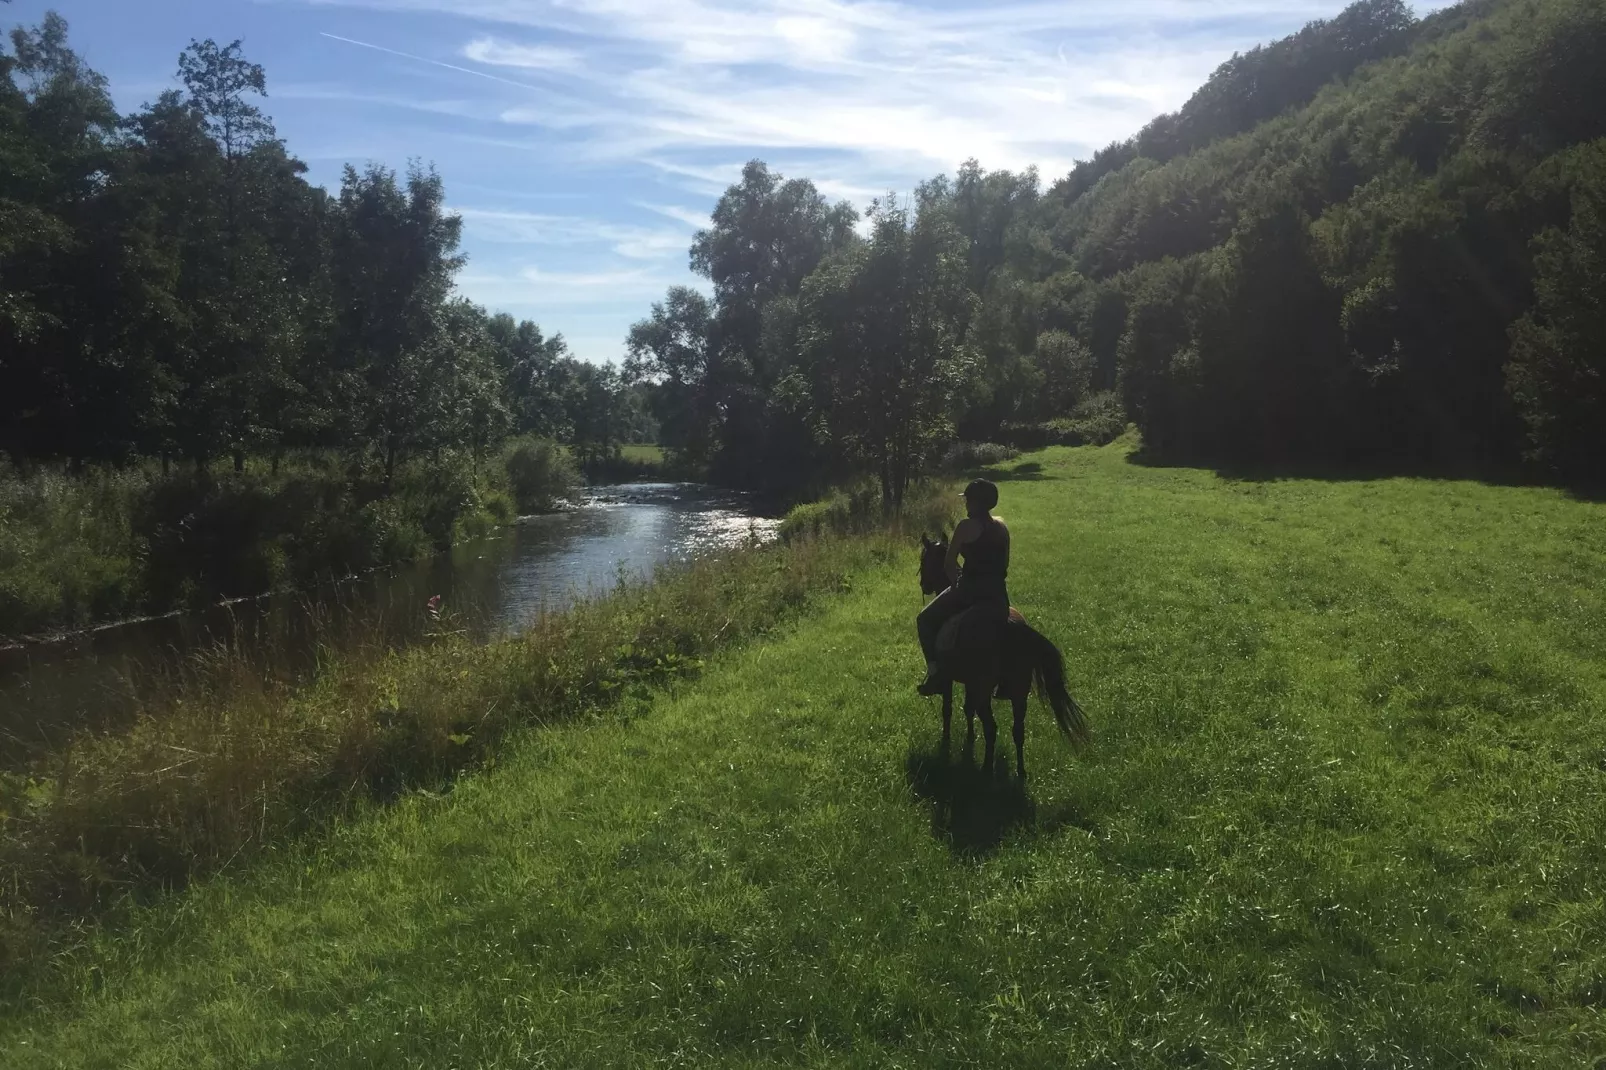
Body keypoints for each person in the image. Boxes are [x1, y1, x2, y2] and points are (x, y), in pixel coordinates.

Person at [916, 478, 1011, 695]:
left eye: (968, 500)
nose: (966, 503)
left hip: (970, 593)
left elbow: (949, 564)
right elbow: (1005, 564)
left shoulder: (965, 527)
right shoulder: (1001, 527)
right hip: (998, 596)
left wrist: (958, 585)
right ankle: (1005, 677)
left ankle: (935, 674)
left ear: (976, 502)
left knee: (924, 620)